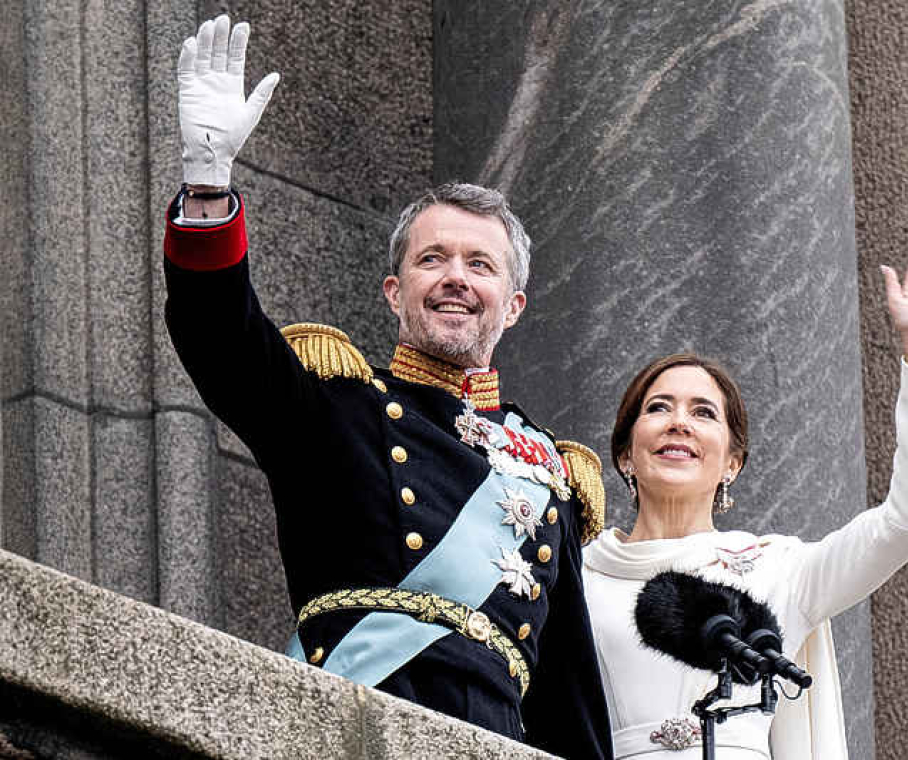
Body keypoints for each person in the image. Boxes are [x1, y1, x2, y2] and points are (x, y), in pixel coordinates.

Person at [163, 15, 612, 758]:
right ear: (394, 293)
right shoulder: (335, 405)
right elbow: (219, 337)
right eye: (432, 260)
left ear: (514, 304)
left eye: (480, 265)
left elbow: (570, 700)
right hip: (348, 730)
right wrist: (208, 185)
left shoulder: (551, 478)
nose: (456, 279)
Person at [583, 242, 908, 759]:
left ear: (732, 463)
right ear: (626, 454)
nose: (679, 422)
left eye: (703, 412)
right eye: (658, 408)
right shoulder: (576, 576)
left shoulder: (779, 570)